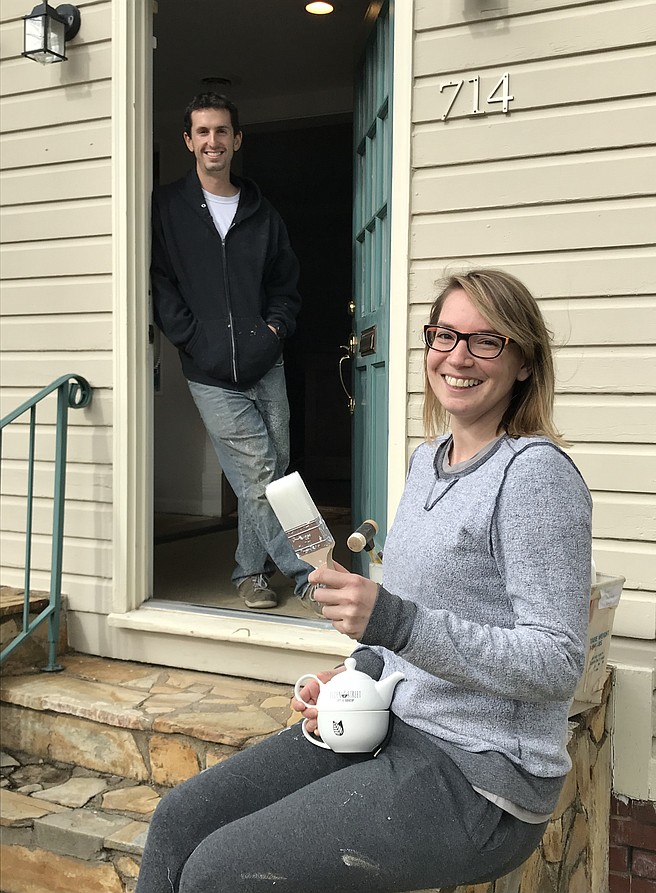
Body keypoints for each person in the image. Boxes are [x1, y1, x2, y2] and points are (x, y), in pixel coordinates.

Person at [136, 268, 593, 892]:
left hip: (480, 776)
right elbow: (405, 632)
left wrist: (393, 623)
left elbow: (557, 662)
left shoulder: (536, 477)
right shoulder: (428, 462)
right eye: (443, 336)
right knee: (178, 821)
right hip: (389, 727)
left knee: (221, 873)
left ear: (523, 362)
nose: (458, 357)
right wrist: (356, 675)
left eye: (487, 341)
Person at [151, 92, 317, 610]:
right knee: (261, 474)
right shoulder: (167, 207)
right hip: (209, 370)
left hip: (265, 361)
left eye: (221, 131)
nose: (212, 141)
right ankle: (313, 574)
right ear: (188, 141)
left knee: (272, 473)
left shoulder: (261, 212)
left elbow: (286, 286)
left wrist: (273, 331)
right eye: (202, 132)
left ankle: (249, 571)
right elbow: (162, 285)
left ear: (236, 139)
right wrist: (194, 341)